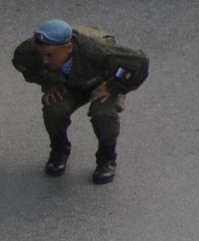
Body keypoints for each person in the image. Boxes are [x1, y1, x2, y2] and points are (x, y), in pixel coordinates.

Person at [11, 18, 149, 185]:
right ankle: (59, 150)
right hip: (69, 83)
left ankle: (106, 157)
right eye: (42, 56)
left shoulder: (96, 50)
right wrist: (50, 83)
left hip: (102, 81)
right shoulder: (29, 50)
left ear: (68, 48)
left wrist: (113, 86)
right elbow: (23, 64)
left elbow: (139, 63)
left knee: (103, 113)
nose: (45, 61)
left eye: (50, 56)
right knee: (54, 108)